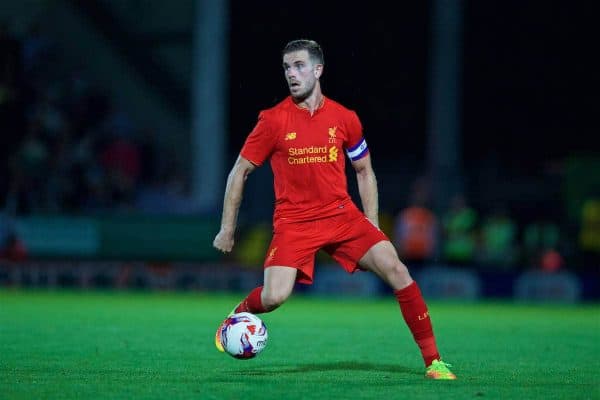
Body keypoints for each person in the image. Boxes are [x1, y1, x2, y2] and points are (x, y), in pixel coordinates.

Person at [212, 39, 456, 380]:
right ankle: (237, 316)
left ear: (318, 69)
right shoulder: (272, 120)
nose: (291, 74)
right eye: (286, 68)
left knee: (397, 270)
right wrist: (227, 228)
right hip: (293, 222)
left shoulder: (345, 118)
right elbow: (239, 170)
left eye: (298, 66)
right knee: (274, 297)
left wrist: (371, 224)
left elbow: (364, 170)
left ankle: (434, 362)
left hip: (341, 216)